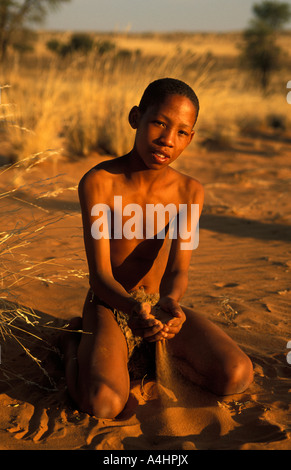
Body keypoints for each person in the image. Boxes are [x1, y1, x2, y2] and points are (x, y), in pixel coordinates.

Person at [60, 78, 253, 419]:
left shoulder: (189, 192)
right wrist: (131, 309)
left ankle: (143, 354)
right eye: (159, 123)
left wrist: (171, 304)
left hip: (157, 310)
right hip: (110, 305)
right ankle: (73, 344)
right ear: (136, 117)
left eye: (181, 132)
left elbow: (179, 270)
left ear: (190, 138)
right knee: (102, 403)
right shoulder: (99, 182)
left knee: (237, 375)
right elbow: (100, 276)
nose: (167, 140)